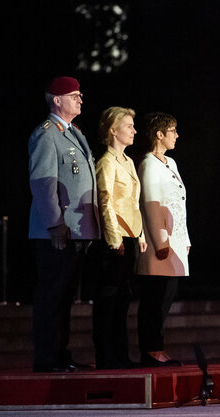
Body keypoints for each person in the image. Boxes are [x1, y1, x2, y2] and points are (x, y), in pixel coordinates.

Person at [28, 76, 100, 372]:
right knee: (52, 295)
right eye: (74, 95)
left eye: (80, 95)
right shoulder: (47, 134)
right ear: (57, 100)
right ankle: (47, 358)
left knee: (65, 296)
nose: (80, 99)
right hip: (56, 232)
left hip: (77, 230)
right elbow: (44, 183)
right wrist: (55, 223)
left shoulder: (74, 132)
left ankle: (61, 354)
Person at [93, 106, 146, 369]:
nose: (134, 130)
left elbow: (133, 203)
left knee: (123, 298)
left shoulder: (128, 161)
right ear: (113, 130)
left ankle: (121, 355)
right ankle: (106, 357)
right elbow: (105, 202)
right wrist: (114, 239)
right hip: (115, 239)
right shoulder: (106, 162)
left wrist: (141, 233)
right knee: (109, 299)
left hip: (131, 236)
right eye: (128, 126)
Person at [136, 112, 189, 367]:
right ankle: (151, 349)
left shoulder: (171, 163)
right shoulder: (148, 163)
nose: (176, 135)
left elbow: (179, 202)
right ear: (159, 134)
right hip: (160, 243)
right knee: (154, 298)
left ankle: (158, 346)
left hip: (174, 241)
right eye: (173, 130)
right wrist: (161, 240)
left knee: (166, 296)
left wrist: (185, 238)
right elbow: (151, 204)